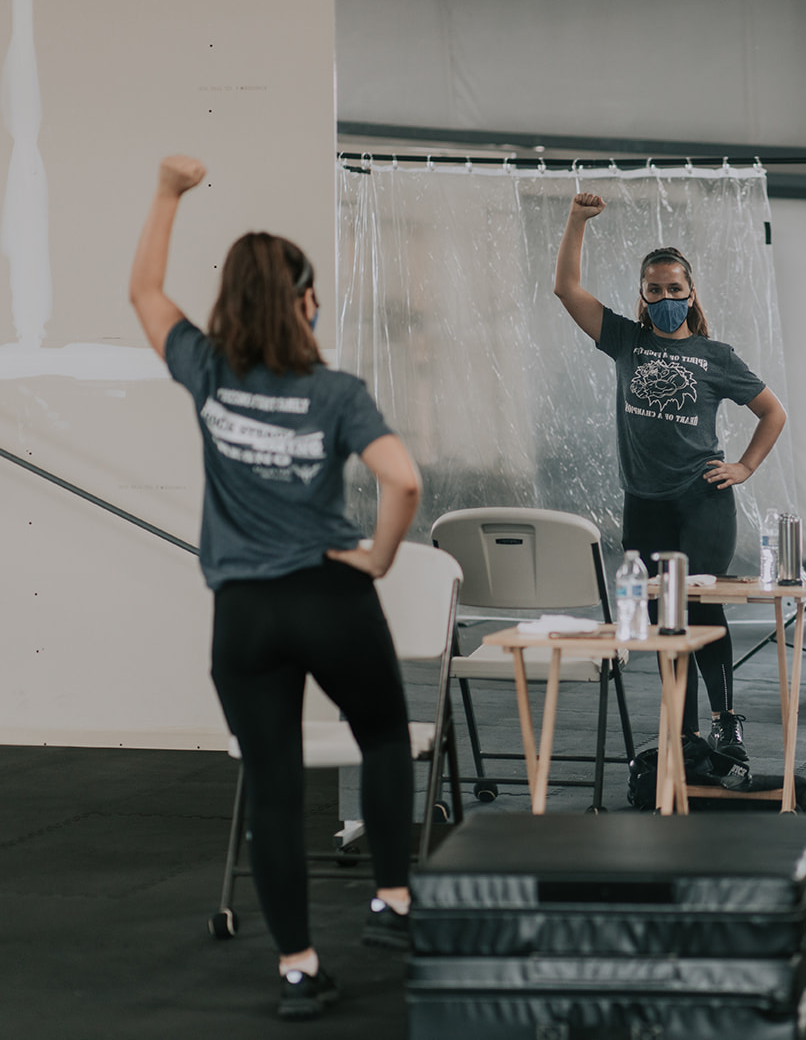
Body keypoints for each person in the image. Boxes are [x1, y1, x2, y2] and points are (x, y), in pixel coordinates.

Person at [129, 155, 423, 1021]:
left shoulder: (208, 369)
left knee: (275, 782)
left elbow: (146, 293)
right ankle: (394, 903)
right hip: (330, 598)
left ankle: (298, 968)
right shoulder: (334, 392)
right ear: (300, 303)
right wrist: (378, 558)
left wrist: (166, 195)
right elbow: (401, 480)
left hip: (245, 619)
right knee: (380, 736)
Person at [554, 191, 787, 762]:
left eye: (674, 290)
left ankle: (725, 721)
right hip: (646, 502)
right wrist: (577, 220)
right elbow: (567, 290)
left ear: (690, 295)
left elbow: (772, 412)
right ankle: (681, 731)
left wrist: (744, 466)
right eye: (654, 290)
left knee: (702, 608)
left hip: (701, 500)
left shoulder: (716, 355)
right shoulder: (626, 341)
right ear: (643, 296)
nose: (664, 298)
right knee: (663, 615)